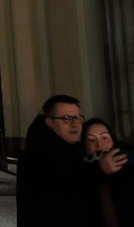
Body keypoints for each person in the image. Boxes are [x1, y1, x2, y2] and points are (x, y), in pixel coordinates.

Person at [17, 93, 92, 227]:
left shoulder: (70, 149)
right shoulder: (42, 156)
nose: (75, 124)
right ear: (49, 122)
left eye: (78, 118)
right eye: (66, 118)